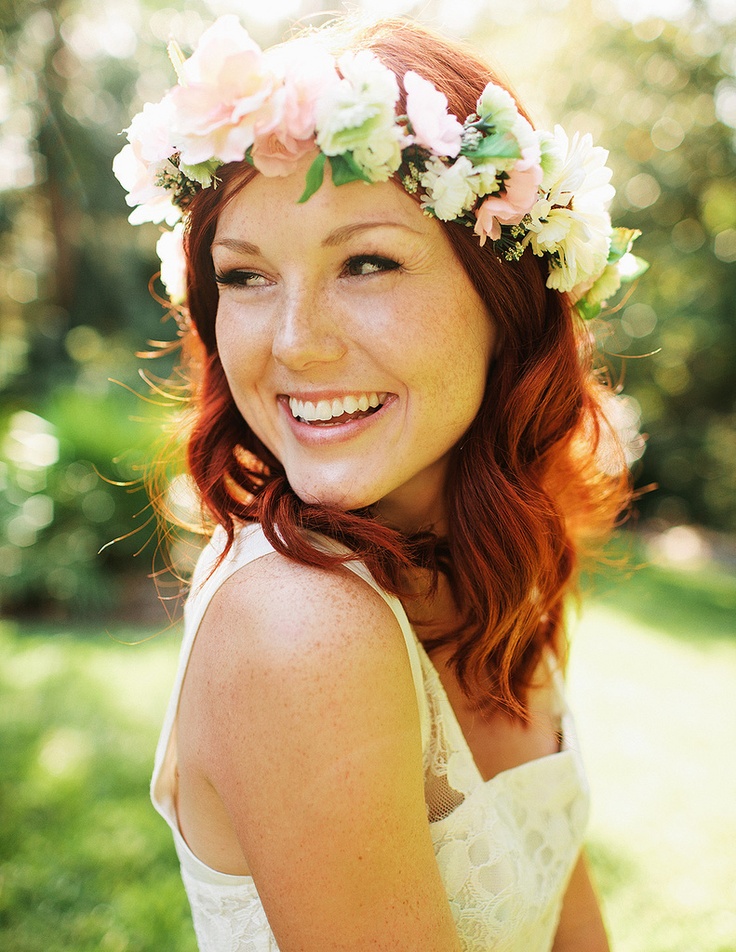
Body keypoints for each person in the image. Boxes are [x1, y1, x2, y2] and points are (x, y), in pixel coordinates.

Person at [114, 14, 647, 952]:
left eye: (367, 262)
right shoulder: (299, 626)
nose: (294, 343)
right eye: (244, 277)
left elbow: (566, 912)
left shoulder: (496, 566)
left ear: (506, 298)